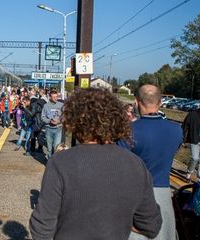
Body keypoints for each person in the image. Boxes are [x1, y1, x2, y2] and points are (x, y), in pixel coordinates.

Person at [29, 88, 162, 240]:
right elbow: (152, 225)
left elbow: (41, 228)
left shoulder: (60, 162)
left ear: (75, 121)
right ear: (116, 120)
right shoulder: (135, 164)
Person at [118, 84, 182, 240]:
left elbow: (120, 168)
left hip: (136, 195)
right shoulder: (176, 130)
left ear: (136, 101)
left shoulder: (128, 131)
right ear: (160, 102)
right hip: (164, 194)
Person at [41, 90, 63, 157]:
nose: (56, 98)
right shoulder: (46, 106)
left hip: (58, 129)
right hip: (49, 129)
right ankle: (49, 162)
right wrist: (49, 121)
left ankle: (54, 164)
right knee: (49, 148)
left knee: (56, 147)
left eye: (57, 97)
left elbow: (65, 115)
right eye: (54, 97)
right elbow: (43, 117)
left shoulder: (61, 105)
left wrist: (59, 121)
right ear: (50, 97)